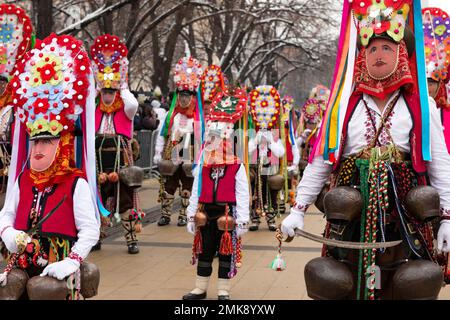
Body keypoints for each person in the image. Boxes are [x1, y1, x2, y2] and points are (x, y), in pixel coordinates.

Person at [281, 0, 450, 300]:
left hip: (404, 215)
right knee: (340, 280)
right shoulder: (343, 106)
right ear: (361, 57)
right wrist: (298, 210)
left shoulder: (422, 106)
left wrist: (447, 217)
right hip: (350, 213)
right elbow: (321, 161)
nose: (378, 54)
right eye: (371, 49)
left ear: (402, 55)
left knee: (408, 282)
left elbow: (439, 163)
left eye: (387, 47)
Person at [0, 34, 100, 300]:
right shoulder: (23, 180)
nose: (38, 149)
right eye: (35, 142)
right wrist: (10, 234)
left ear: (63, 144)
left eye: (46, 141)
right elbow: (6, 214)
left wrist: (72, 260)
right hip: (22, 262)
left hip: (58, 267)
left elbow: (91, 229)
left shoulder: (75, 183)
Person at [183, 89, 249, 300]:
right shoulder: (203, 165)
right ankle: (200, 288)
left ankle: (223, 290)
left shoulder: (236, 165)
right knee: (204, 251)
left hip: (227, 212)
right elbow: (196, 189)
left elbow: (243, 192)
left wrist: (243, 219)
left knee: (225, 253)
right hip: (205, 212)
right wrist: (191, 212)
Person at [90, 34, 142, 254]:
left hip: (121, 157)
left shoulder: (125, 106)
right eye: (105, 91)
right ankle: (97, 237)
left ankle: (131, 240)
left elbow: (132, 103)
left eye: (111, 91)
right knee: (97, 197)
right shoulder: (94, 106)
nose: (108, 95)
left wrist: (122, 83)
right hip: (99, 158)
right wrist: (96, 83)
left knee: (126, 198)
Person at [153, 56, 204, 227]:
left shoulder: (197, 117)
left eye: (186, 97)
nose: (183, 99)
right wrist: (157, 153)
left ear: (192, 98)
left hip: (189, 150)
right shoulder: (171, 115)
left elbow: (201, 136)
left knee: (187, 182)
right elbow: (163, 133)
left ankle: (183, 214)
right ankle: (166, 214)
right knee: (169, 182)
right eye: (181, 96)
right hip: (173, 149)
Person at [248, 86, 285, 232]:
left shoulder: (274, 133)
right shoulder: (252, 132)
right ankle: (255, 219)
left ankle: (271, 218)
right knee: (256, 191)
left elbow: (280, 152)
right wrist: (256, 141)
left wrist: (271, 142)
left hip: (270, 168)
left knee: (271, 192)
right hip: (255, 168)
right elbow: (247, 150)